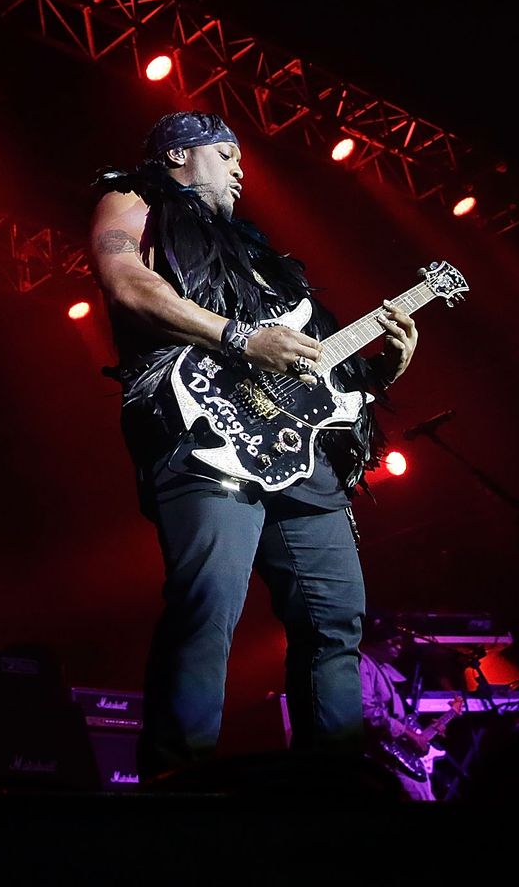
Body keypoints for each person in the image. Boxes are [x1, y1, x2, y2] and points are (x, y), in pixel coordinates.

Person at [90, 110, 420, 779]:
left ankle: (331, 789)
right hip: (199, 428)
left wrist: (381, 370)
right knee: (209, 605)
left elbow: (314, 374)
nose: (243, 169)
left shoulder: (261, 256)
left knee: (336, 621)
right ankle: (178, 785)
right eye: (227, 153)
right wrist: (241, 338)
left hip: (296, 450)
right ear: (180, 153)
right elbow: (126, 280)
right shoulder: (134, 195)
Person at [359, 620, 437, 800]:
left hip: (394, 746)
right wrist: (410, 734)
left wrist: (421, 727)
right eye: (394, 642)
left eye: (401, 642)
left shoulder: (381, 666)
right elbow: (365, 710)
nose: (399, 647)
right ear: (375, 640)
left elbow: (396, 710)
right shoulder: (361, 662)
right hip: (380, 748)